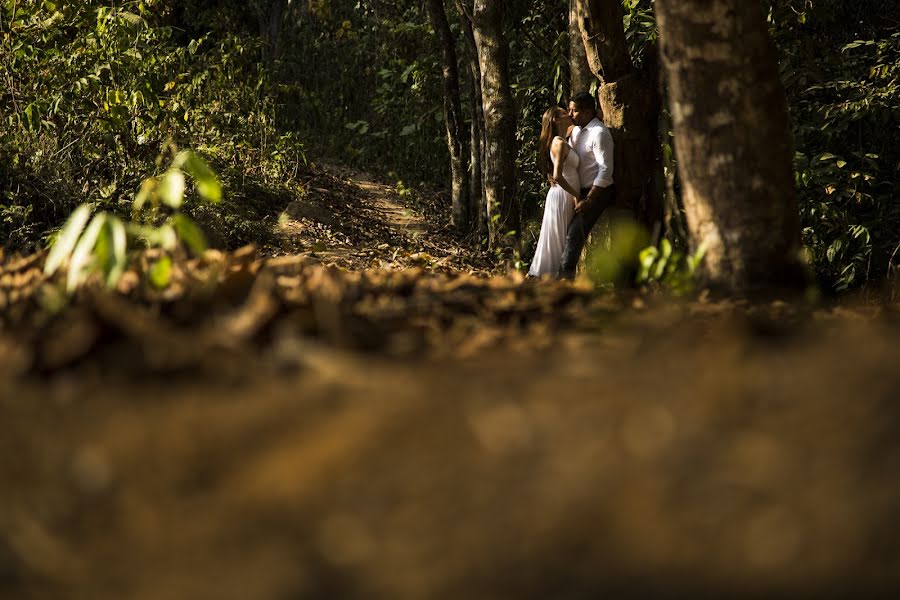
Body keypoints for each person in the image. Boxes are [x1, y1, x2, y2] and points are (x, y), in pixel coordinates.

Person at [558, 91, 616, 280]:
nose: (569, 114)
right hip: (576, 191)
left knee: (574, 235)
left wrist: (590, 199)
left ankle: (563, 283)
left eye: (574, 111)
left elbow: (606, 170)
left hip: (596, 192)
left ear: (588, 111)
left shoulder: (599, 133)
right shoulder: (575, 130)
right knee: (564, 234)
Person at [528, 106, 581, 278]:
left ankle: (554, 275)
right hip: (564, 194)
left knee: (561, 235)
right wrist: (576, 194)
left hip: (563, 193)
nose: (570, 114)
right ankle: (550, 275)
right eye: (565, 113)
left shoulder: (562, 138)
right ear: (556, 120)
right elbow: (557, 175)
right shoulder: (558, 142)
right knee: (559, 237)